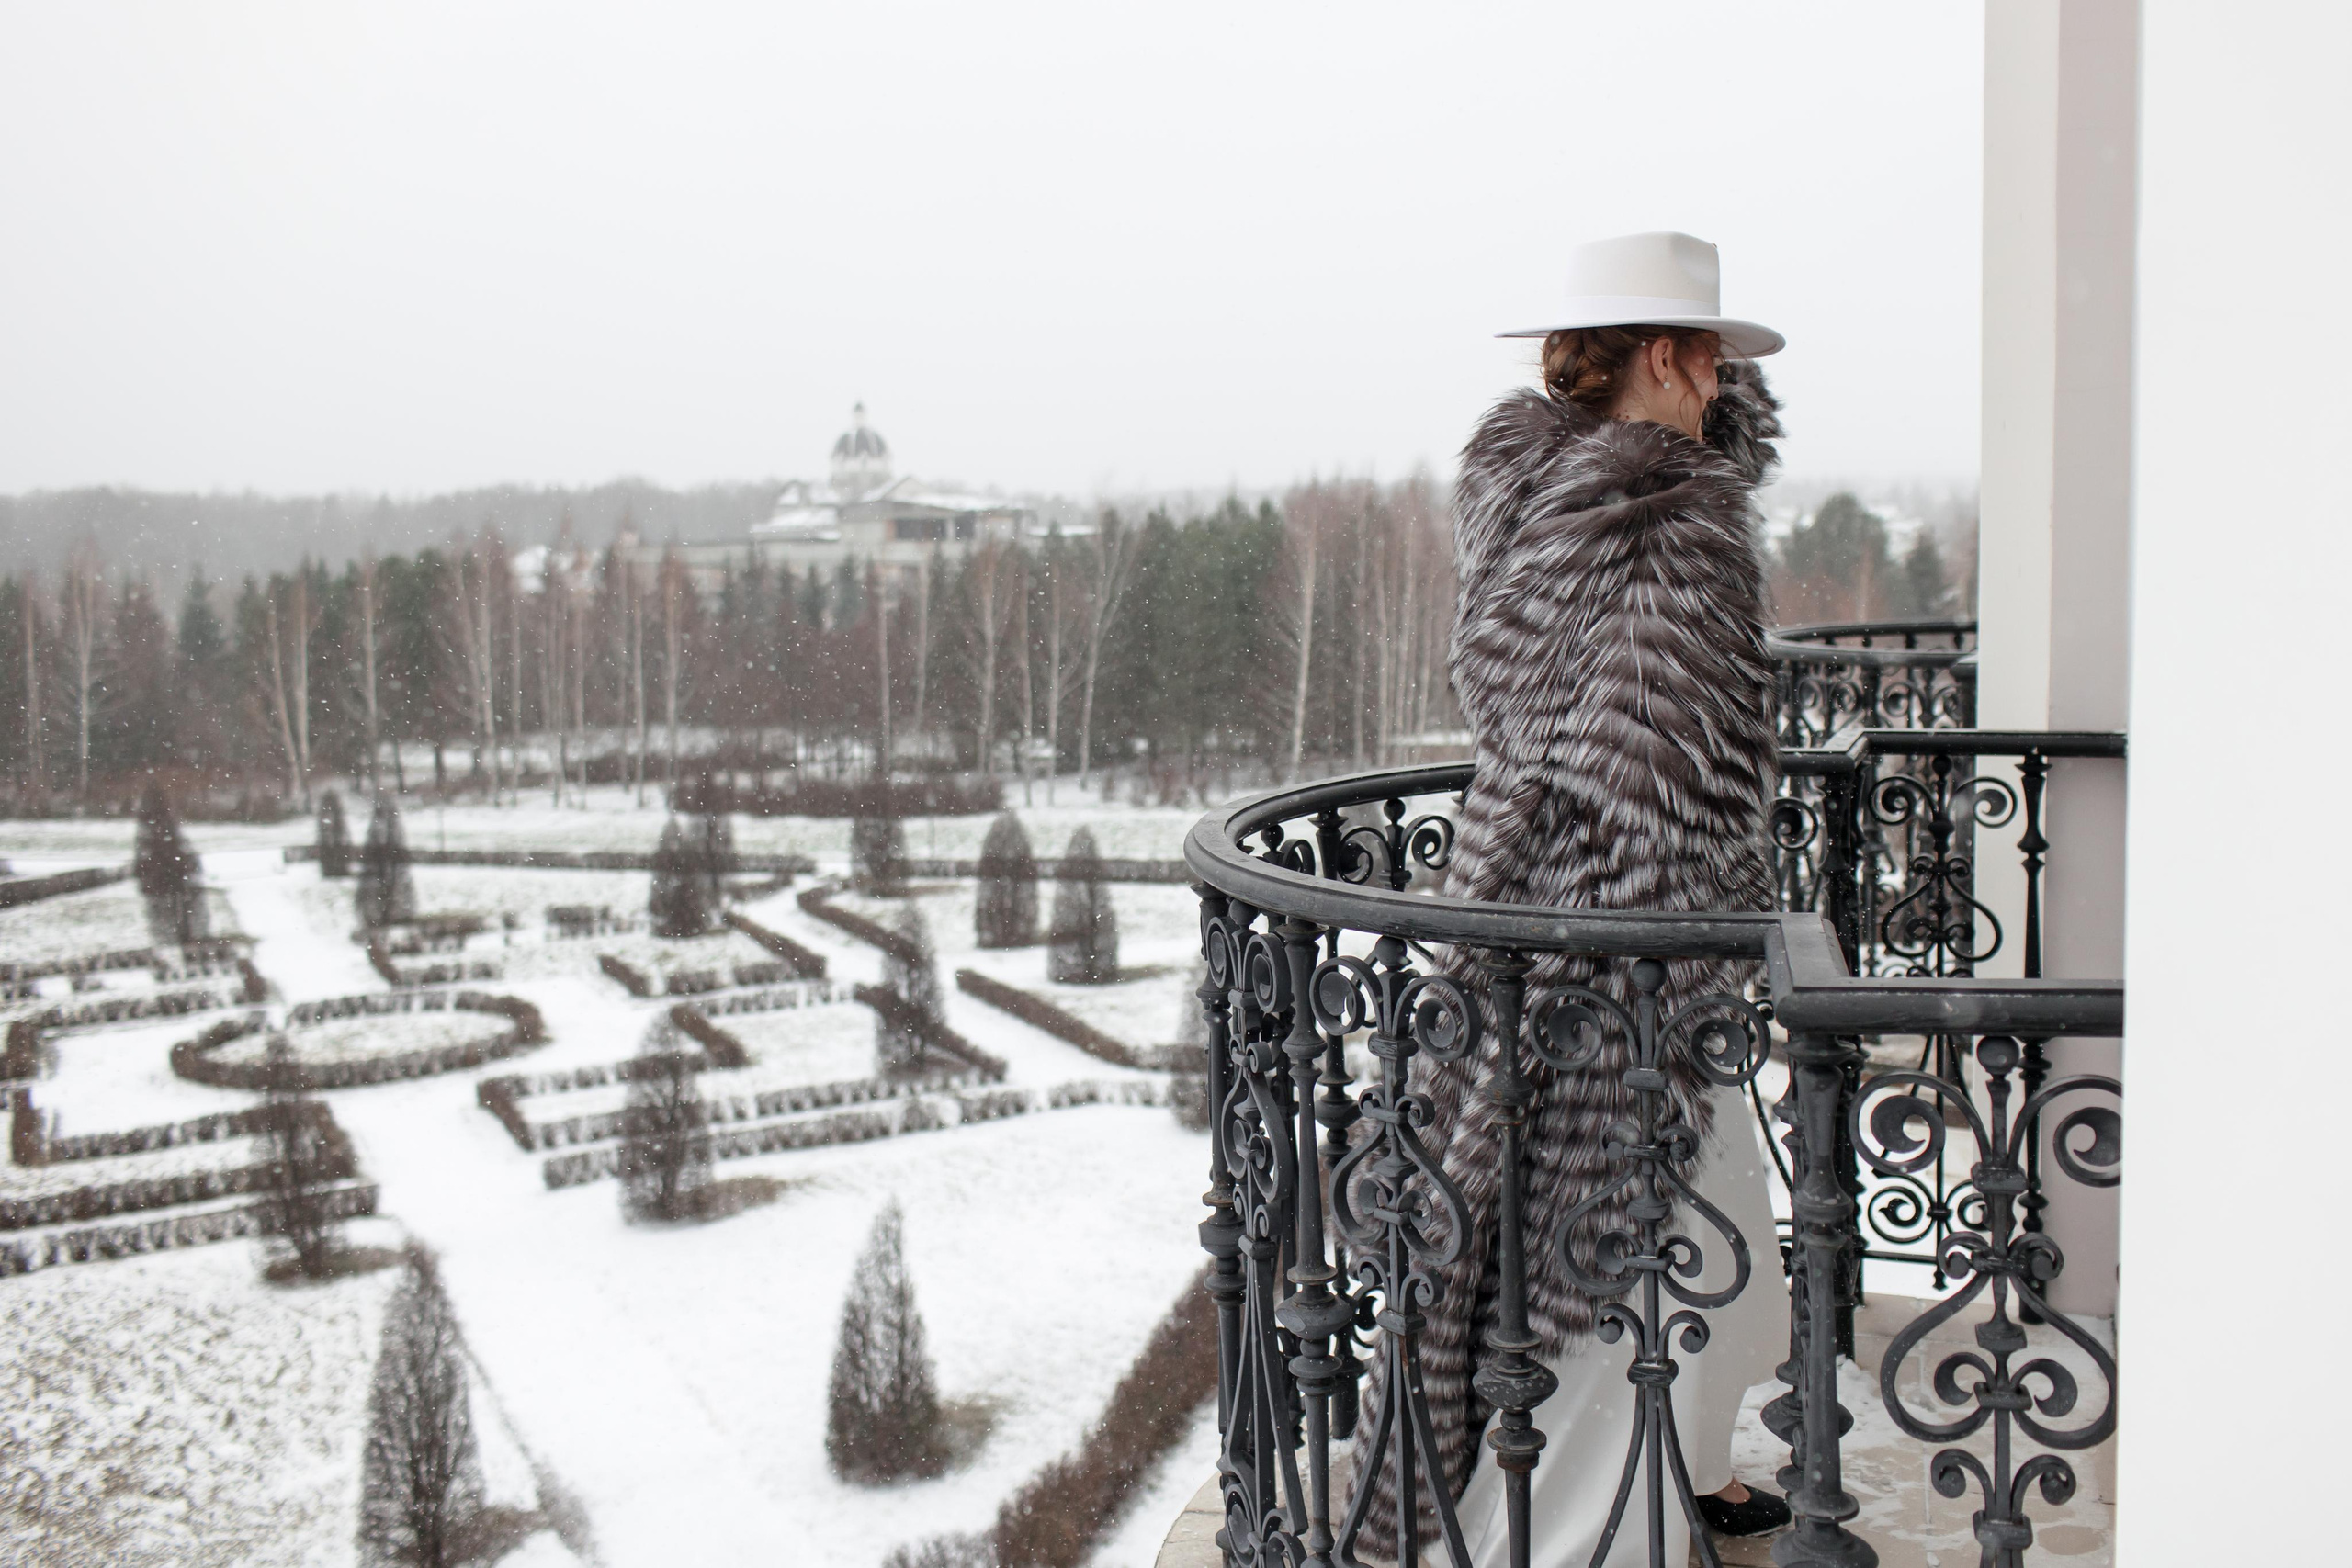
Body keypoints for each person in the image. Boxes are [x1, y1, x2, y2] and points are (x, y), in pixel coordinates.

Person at [1350, 231, 1792, 1565]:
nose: (1726, 385)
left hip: (1521, 895)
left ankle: (1672, 1474)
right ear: (1664, 354)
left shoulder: (1528, 483)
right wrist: (1712, 909)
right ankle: (1597, 1524)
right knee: (1638, 1223)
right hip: (1624, 926)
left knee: (1577, 1218)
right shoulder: (1668, 518)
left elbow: (1535, 709)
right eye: (1712, 359)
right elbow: (1665, 776)